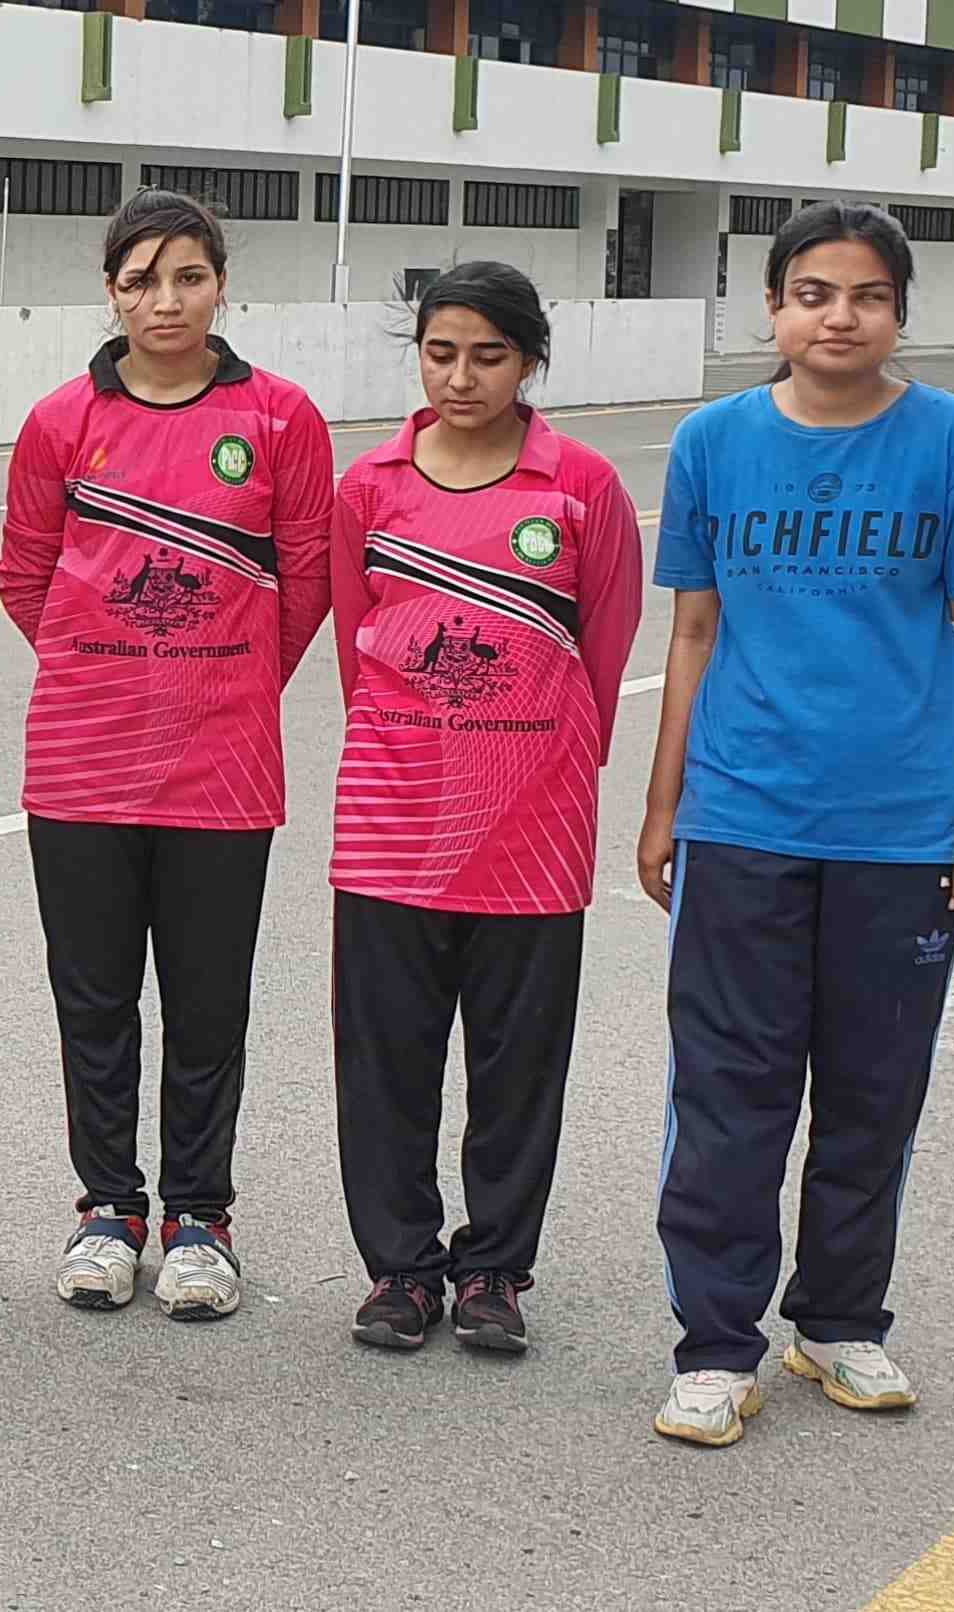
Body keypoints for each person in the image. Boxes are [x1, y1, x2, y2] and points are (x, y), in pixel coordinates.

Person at [641, 203, 954, 1447]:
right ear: (771, 307)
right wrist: (663, 806)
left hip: (902, 834)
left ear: (899, 310)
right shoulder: (711, 443)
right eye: (811, 293)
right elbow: (693, 633)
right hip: (742, 819)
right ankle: (714, 1345)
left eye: (866, 295)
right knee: (728, 1090)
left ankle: (839, 1321)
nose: (838, 317)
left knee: (872, 1092)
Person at [0, 188, 333, 1323]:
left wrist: (224, 680)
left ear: (220, 285)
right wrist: (106, 671)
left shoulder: (280, 418)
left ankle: (199, 1218)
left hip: (225, 767)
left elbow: (306, 579)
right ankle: (107, 1209)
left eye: (188, 276)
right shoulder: (60, 423)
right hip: (80, 765)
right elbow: (23, 575)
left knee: (206, 1003)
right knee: (93, 1000)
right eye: (140, 280)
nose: (165, 301)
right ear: (111, 292)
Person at [326, 262, 643, 1355]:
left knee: (517, 1068)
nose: (461, 377)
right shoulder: (368, 486)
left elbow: (602, 654)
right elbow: (357, 653)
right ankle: (402, 1270)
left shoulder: (582, 487)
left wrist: (532, 767)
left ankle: (494, 1272)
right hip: (391, 823)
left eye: (489, 356)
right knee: (386, 1060)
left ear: (530, 361)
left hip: (533, 832)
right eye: (441, 353)